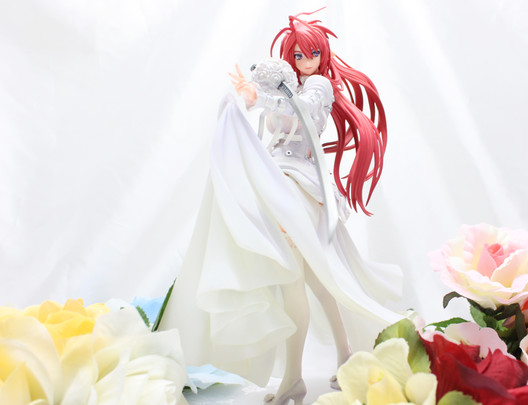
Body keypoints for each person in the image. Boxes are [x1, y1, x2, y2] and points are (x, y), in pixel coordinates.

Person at [159, 11, 404, 405]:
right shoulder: (294, 85)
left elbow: (300, 111)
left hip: (297, 186)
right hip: (281, 180)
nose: (306, 61)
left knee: (295, 283)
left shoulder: (318, 86)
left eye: (312, 54)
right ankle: (344, 357)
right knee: (317, 283)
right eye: (299, 55)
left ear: (322, 55)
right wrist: (253, 97)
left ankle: (294, 378)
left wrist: (261, 97)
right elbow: (277, 118)